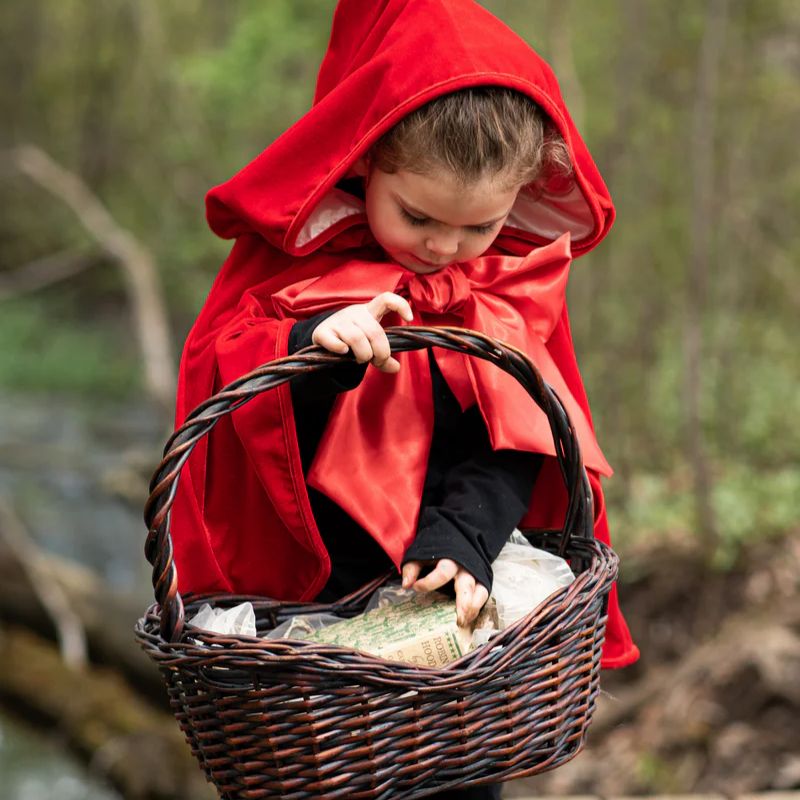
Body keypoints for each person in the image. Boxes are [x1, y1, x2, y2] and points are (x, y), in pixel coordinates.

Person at [171, 0, 639, 796]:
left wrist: (465, 538)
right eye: (417, 216)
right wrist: (313, 343)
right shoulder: (295, 258)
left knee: (462, 781)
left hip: (455, 620)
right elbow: (228, 386)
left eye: (480, 227)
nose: (444, 248)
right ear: (364, 161)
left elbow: (520, 438)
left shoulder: (501, 289)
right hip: (312, 630)